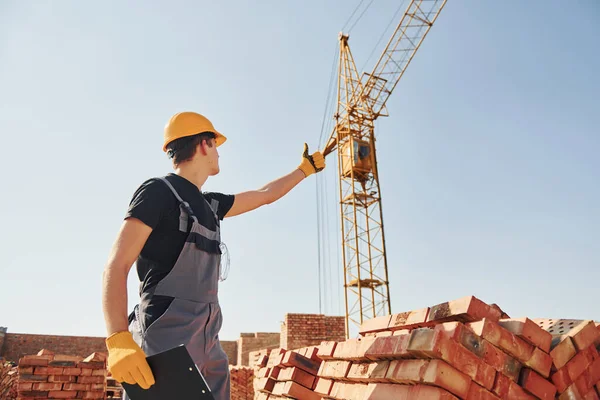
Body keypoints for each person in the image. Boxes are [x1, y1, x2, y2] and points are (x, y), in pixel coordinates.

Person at [101, 111, 325, 399]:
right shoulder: (158, 192)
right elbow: (116, 265)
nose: (219, 153)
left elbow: (265, 193)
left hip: (208, 340)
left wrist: (303, 170)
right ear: (205, 144)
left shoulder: (211, 205)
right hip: (165, 339)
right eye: (216, 145)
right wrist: (118, 338)